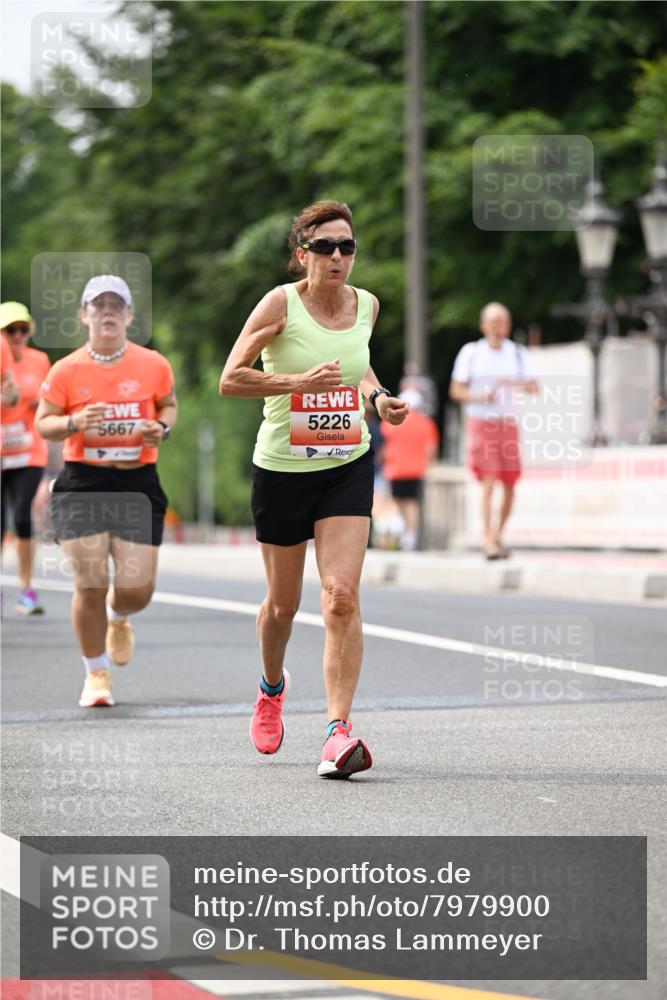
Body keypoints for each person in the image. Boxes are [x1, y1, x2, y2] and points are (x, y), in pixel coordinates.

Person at [219, 200, 408, 778]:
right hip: (281, 470)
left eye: (346, 247)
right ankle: (271, 687)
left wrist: (378, 399)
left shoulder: (367, 305)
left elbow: (360, 367)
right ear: (302, 252)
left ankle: (337, 732)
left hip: (346, 463)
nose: (336, 257)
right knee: (283, 604)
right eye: (324, 246)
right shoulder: (280, 303)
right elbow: (231, 379)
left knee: (341, 595)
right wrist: (298, 382)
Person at [35, 275, 177, 708]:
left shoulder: (153, 364)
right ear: (84, 314)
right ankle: (95, 674)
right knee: (89, 583)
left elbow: (168, 405)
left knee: (138, 590)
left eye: (117, 304)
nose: (108, 311)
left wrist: (162, 428)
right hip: (84, 481)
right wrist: (75, 423)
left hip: (137, 482)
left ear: (130, 315)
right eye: (99, 305)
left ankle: (119, 617)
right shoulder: (67, 370)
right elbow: (45, 422)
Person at [449, 302, 538, 559]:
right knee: (488, 481)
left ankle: (498, 534)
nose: (498, 329)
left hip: (508, 423)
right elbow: (456, 390)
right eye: (493, 324)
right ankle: (488, 538)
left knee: (510, 483)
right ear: (483, 326)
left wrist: (511, 383)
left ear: (508, 327)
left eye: (502, 324)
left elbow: (534, 386)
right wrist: (480, 397)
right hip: (481, 422)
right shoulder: (471, 352)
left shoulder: (518, 353)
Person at [1, 301, 51, 614]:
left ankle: (26, 589)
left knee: (22, 516)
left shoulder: (40, 361)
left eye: (23, 329)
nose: (17, 335)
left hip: (28, 453)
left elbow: (49, 404)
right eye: (10, 330)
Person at [380, 388, 440, 550]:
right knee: (411, 503)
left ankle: (404, 532)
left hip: (395, 468)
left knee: (399, 501)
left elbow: (385, 446)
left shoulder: (390, 422)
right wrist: (429, 466)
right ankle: (409, 535)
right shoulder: (426, 423)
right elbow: (431, 449)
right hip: (416, 469)